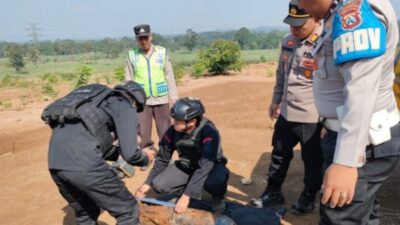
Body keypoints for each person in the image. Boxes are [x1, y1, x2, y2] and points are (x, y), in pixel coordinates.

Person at [298, 0, 400, 224]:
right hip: (357, 135)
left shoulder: (355, 12)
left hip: (365, 142)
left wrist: (346, 162)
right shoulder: (338, 12)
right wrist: (329, 123)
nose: (300, 6)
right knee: (365, 214)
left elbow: (361, 91)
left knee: (340, 217)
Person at [42, 81, 156, 225]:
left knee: (86, 211)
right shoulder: (125, 106)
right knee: (127, 209)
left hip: (56, 164)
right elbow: (131, 154)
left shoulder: (95, 102)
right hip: (85, 165)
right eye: (137, 108)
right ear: (134, 101)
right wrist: (145, 157)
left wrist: (121, 156)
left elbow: (104, 148)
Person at [250, 0, 323, 215]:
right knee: (279, 155)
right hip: (287, 112)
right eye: (291, 24)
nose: (294, 29)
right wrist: (275, 99)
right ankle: (272, 192)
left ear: (314, 17)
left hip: (312, 117)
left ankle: (309, 196)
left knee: (312, 161)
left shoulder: (325, 42)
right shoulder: (287, 42)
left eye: (300, 25)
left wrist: (329, 120)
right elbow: (281, 74)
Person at [135, 97, 230, 214]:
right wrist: (147, 183)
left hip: (211, 166)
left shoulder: (209, 132)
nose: (173, 122)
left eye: (177, 120)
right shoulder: (172, 131)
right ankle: (186, 186)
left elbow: (205, 166)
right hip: (188, 165)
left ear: (192, 122)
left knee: (215, 182)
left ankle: (218, 197)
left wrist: (187, 196)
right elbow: (162, 159)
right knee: (159, 185)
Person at [125, 24, 179, 169]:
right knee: (143, 131)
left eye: (146, 37)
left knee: (165, 130)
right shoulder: (132, 55)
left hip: (162, 98)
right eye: (140, 38)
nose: (144, 41)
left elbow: (170, 77)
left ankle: (165, 158)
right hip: (141, 101)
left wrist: (174, 99)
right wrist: (130, 99)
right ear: (136, 39)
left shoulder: (162, 53)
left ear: (151, 36)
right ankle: (145, 158)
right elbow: (128, 79)